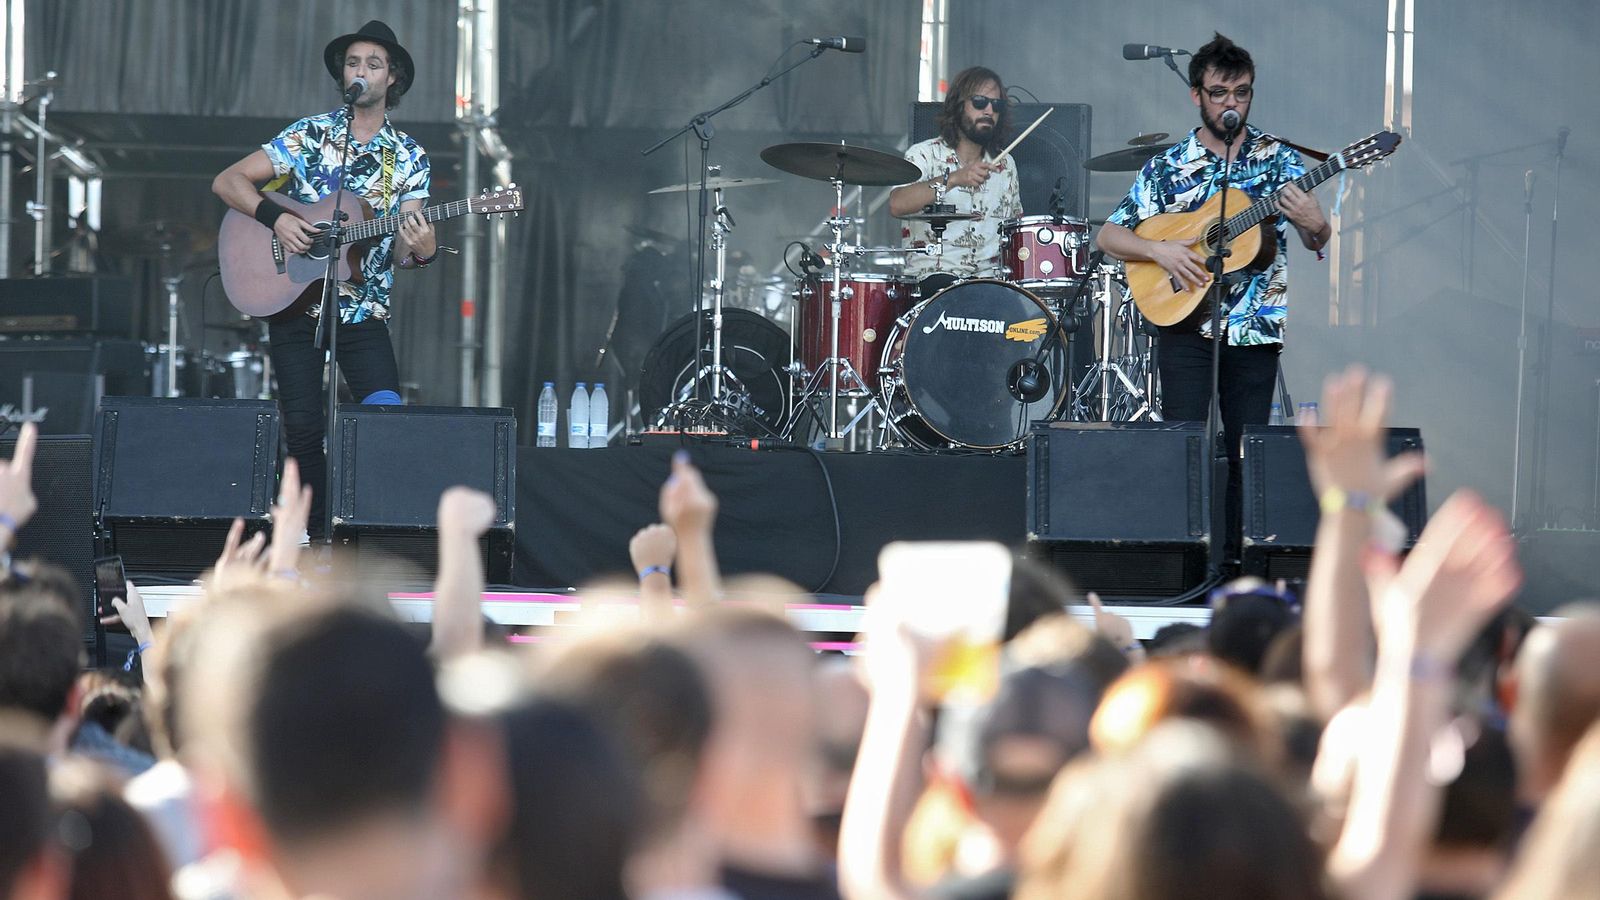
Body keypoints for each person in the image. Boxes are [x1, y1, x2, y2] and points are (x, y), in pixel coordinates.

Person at [1095, 33, 1330, 565]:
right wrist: (1161, 252)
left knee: (1250, 455)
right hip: (1184, 328)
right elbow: (1110, 235)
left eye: (1242, 93)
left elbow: (1317, 235)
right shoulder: (1168, 165)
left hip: (1254, 328)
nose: (1231, 104)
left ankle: (1236, 570)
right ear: (1197, 95)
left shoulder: (1279, 160)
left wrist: (1318, 226)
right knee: (1186, 450)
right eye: (1220, 92)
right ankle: (1185, 568)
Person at [212, 19, 436, 541]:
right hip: (294, 306)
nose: (360, 71)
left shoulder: (407, 158)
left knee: (384, 420)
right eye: (353, 63)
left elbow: (404, 250)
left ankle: (374, 538)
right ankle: (309, 543)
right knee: (304, 432)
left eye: (373, 64)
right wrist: (278, 219)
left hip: (363, 311)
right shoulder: (310, 134)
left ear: (393, 79)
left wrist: (420, 252)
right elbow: (228, 182)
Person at [890, 66, 1022, 296]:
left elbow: (1015, 230)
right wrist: (953, 179)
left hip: (991, 284)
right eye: (980, 102)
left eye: (997, 105)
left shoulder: (1005, 164)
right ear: (958, 105)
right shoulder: (923, 155)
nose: (989, 110)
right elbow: (897, 204)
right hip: (931, 283)